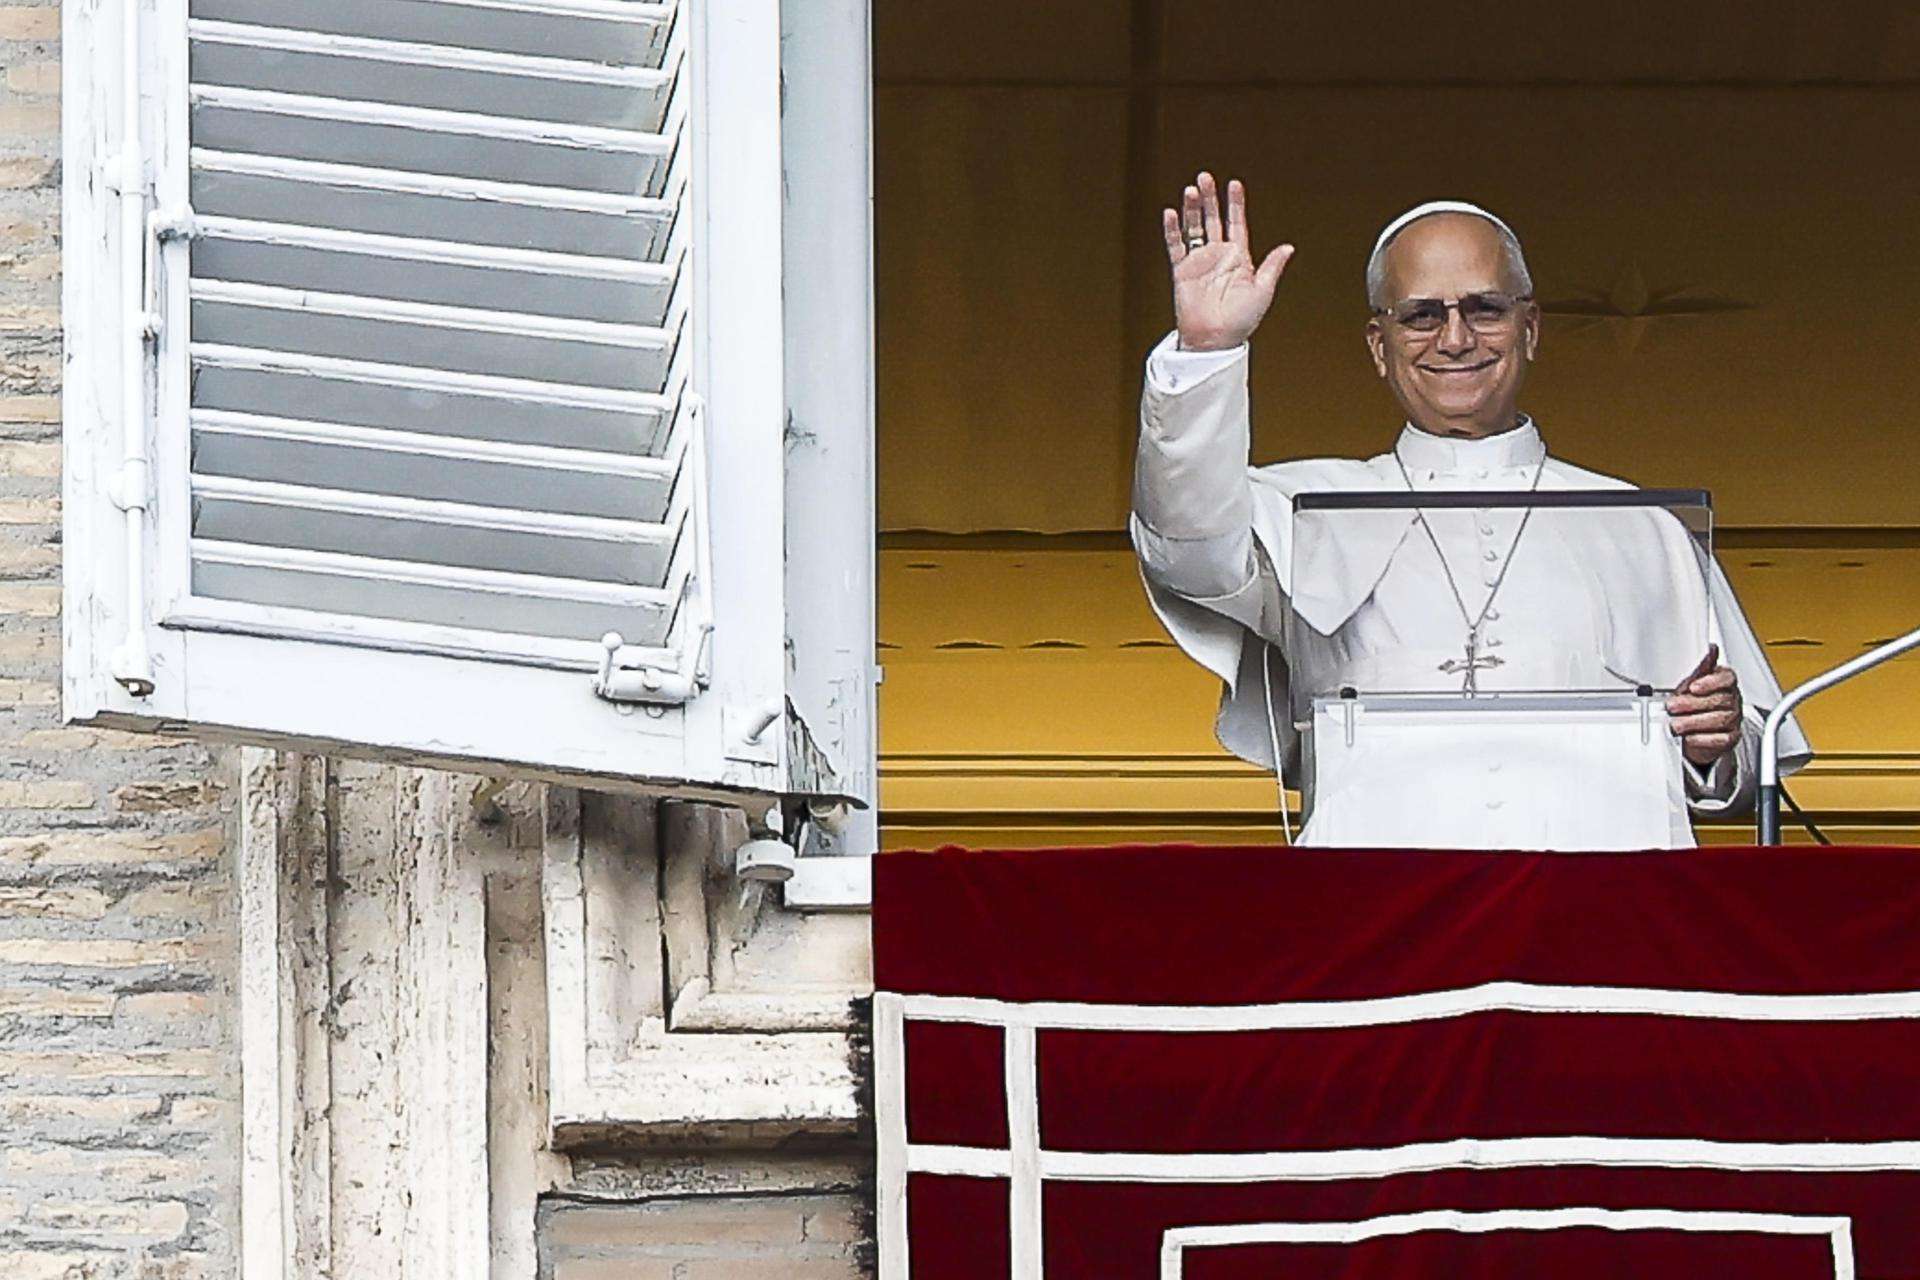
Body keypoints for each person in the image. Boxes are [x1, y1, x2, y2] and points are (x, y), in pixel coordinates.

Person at [1131, 173, 1810, 849]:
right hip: (1377, 913)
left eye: (1485, 308)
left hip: (1600, 919)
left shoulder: (1645, 528)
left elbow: (1744, 755)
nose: (1455, 339)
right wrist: (1208, 353)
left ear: (1531, 327)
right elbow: (1187, 551)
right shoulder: (1303, 511)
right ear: (1379, 344)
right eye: (1422, 315)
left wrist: (1712, 743)